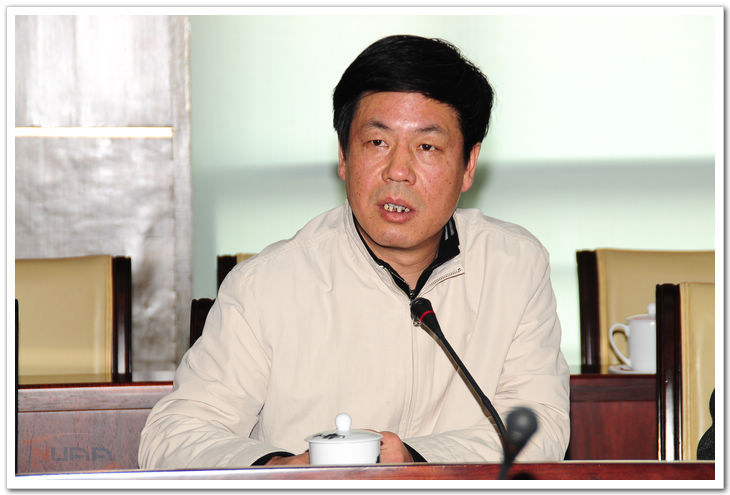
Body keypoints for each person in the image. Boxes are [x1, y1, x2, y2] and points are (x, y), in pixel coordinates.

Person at [138, 34, 570, 468]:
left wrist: (417, 460)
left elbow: (538, 424)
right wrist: (280, 470)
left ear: (468, 165)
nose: (398, 171)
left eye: (427, 147)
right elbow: (172, 437)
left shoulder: (514, 266)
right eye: (377, 142)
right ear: (344, 156)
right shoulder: (266, 285)